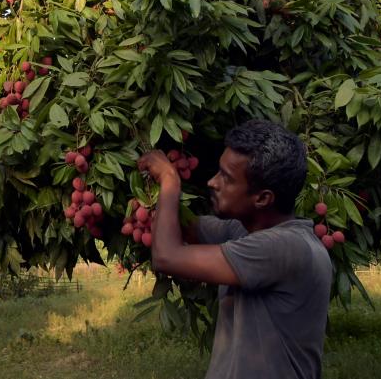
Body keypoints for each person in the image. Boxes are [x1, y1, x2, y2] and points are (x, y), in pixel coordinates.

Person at [138, 119, 332, 379]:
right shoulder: (244, 231)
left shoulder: (287, 248)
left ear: (262, 198)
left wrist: (169, 180)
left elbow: (167, 256)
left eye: (226, 179)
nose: (212, 182)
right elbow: (183, 226)